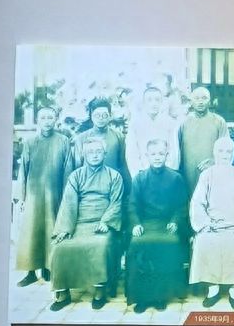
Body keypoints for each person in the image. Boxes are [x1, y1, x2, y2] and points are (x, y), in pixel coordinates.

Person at [48, 132, 124, 311]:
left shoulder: (114, 176)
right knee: (60, 247)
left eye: (99, 151)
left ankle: (99, 292)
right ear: (84, 154)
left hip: (102, 223)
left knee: (100, 245)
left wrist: (106, 221)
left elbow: (116, 203)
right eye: (91, 152)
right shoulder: (76, 176)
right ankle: (63, 293)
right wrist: (65, 229)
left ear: (105, 154)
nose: (95, 155)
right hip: (78, 223)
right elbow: (68, 204)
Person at [189, 133, 234, 308]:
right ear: (214, 152)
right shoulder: (206, 175)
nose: (225, 155)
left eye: (229, 151)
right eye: (221, 151)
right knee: (204, 242)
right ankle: (213, 289)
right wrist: (204, 225)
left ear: (233, 154)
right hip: (212, 225)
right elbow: (197, 202)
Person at [125, 136, 189, 313]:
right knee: (137, 245)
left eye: (161, 153)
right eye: (153, 154)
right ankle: (142, 298)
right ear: (147, 156)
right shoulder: (140, 178)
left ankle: (161, 295)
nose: (157, 157)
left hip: (166, 224)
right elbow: (133, 204)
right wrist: (136, 224)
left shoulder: (175, 178)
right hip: (145, 224)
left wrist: (175, 221)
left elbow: (181, 205)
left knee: (168, 245)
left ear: (167, 154)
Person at [15, 106, 74, 287]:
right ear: (38, 120)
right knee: (31, 232)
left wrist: (66, 196)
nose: (47, 120)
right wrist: (21, 197)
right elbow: (23, 170)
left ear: (55, 119)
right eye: (43, 117)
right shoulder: (30, 142)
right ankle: (30, 271)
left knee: (51, 229)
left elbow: (68, 169)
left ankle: (49, 268)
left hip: (55, 194)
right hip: (34, 196)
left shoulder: (64, 141)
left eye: (50, 117)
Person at [178, 86, 228, 192]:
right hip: (188, 174)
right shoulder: (183, 122)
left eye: (204, 98)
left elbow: (227, 149)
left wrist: (215, 161)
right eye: (196, 98)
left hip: (213, 172)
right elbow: (177, 151)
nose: (200, 102)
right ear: (191, 101)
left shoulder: (219, 122)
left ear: (209, 101)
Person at [125, 84, 180, 176]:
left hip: (165, 173)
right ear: (144, 103)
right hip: (143, 173)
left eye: (157, 100)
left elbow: (174, 151)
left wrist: (169, 173)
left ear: (161, 102)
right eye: (149, 100)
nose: (153, 103)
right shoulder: (135, 124)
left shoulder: (170, 123)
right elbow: (131, 152)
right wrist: (138, 174)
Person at [76, 98, 126, 178]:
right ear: (91, 116)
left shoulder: (118, 136)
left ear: (110, 116)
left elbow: (123, 165)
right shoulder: (81, 138)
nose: (101, 118)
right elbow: (77, 166)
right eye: (97, 115)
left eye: (104, 115)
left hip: (112, 183)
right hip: (87, 184)